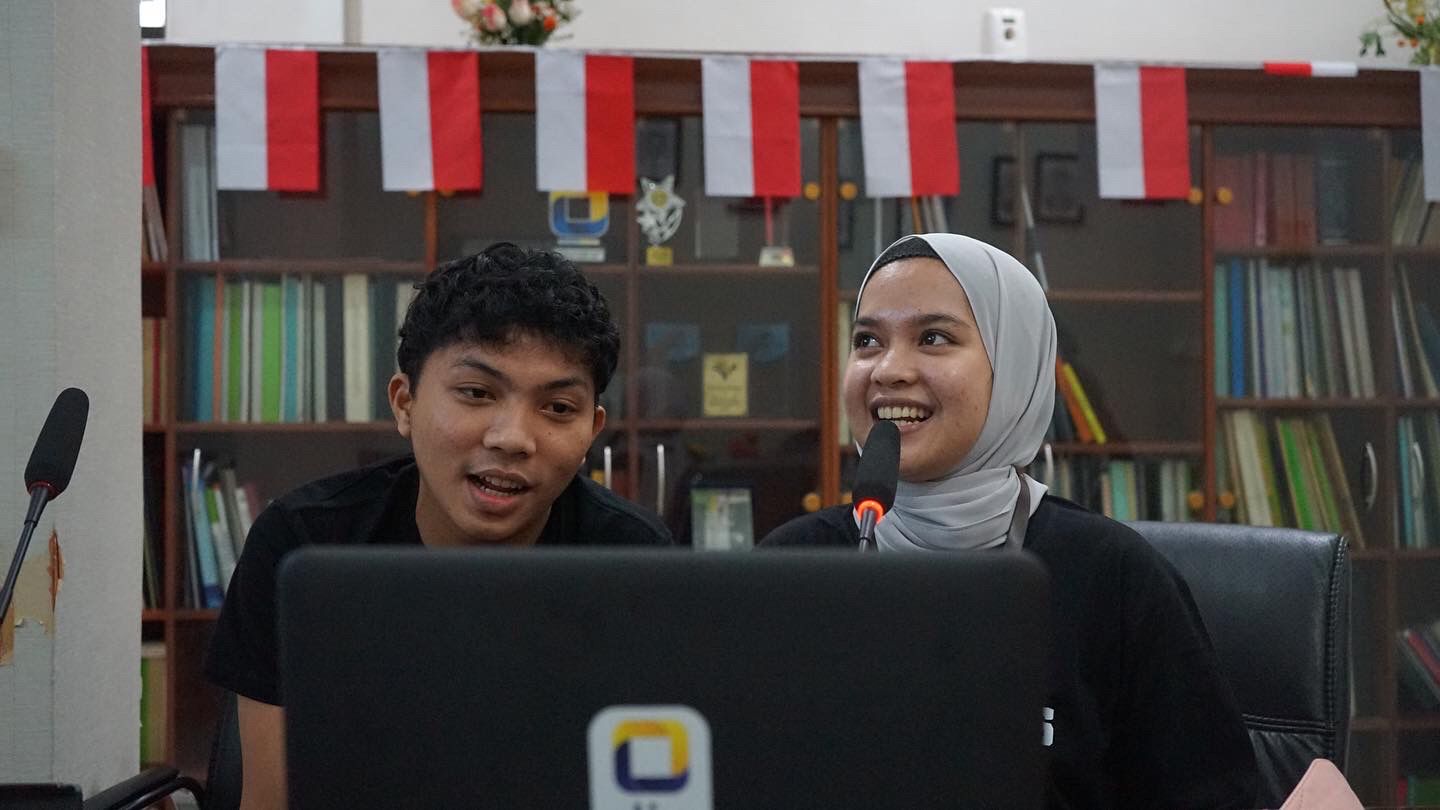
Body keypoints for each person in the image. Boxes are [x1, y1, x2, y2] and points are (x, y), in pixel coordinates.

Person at [761, 233, 1260, 809]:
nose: (888, 370)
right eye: (867, 340)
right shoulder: (790, 567)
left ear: (1014, 366)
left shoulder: (1114, 577)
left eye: (934, 337)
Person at [205, 243, 672, 810]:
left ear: (592, 430)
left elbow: (649, 786)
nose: (512, 438)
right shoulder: (303, 546)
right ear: (405, 403)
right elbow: (270, 801)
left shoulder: (632, 560)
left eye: (557, 408)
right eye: (476, 393)